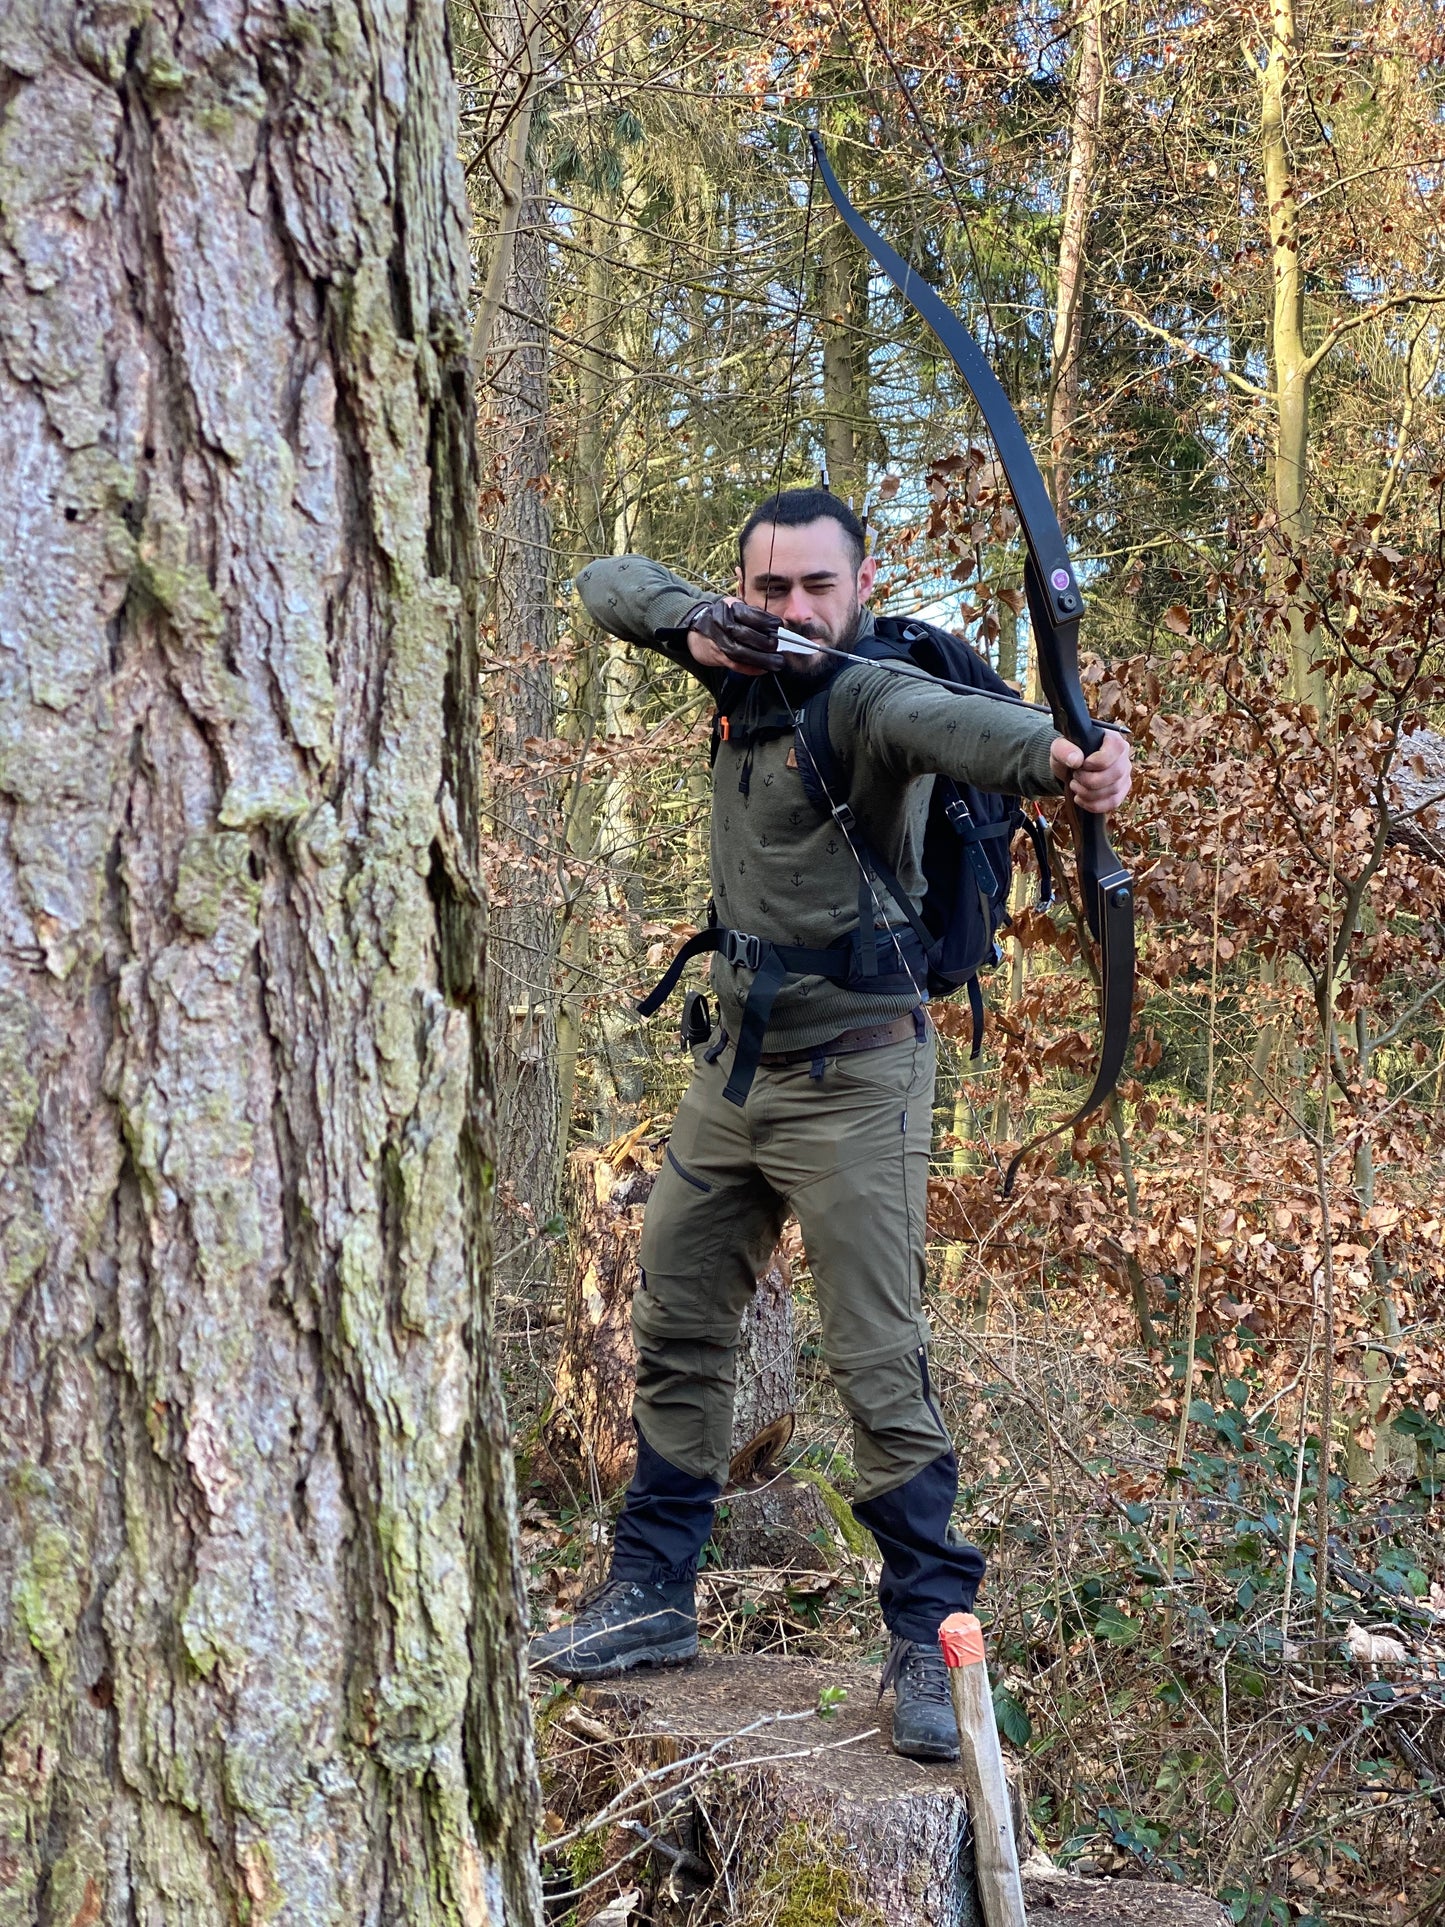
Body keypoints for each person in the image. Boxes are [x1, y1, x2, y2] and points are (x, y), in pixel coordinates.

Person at [530, 489, 1131, 1761]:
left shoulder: (866, 696)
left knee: (877, 1361)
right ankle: (650, 1593)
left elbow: (958, 727)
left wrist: (1063, 757)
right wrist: (696, 624)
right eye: (770, 588)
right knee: (675, 1314)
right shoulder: (734, 664)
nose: (794, 610)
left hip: (857, 1077)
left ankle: (928, 1636)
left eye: (816, 587)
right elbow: (602, 579)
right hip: (732, 1070)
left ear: (861, 588)